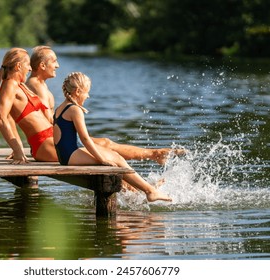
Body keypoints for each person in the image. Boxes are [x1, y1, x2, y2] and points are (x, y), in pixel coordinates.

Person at [26, 45, 186, 165]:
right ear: (41, 65)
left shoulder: (38, 84)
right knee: (106, 150)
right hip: (49, 143)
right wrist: (21, 149)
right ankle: (145, 171)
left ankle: (153, 156)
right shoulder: (36, 86)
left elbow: (27, 118)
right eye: (54, 61)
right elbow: (43, 121)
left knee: (106, 143)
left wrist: (22, 145)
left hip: (47, 141)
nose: (58, 65)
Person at [53, 72, 171, 202]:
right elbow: (85, 138)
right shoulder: (75, 109)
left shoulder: (61, 107)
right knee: (117, 160)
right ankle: (150, 191)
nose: (88, 96)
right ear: (77, 91)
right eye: (87, 92)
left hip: (65, 155)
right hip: (71, 155)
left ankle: (140, 190)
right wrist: (101, 159)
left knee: (114, 156)